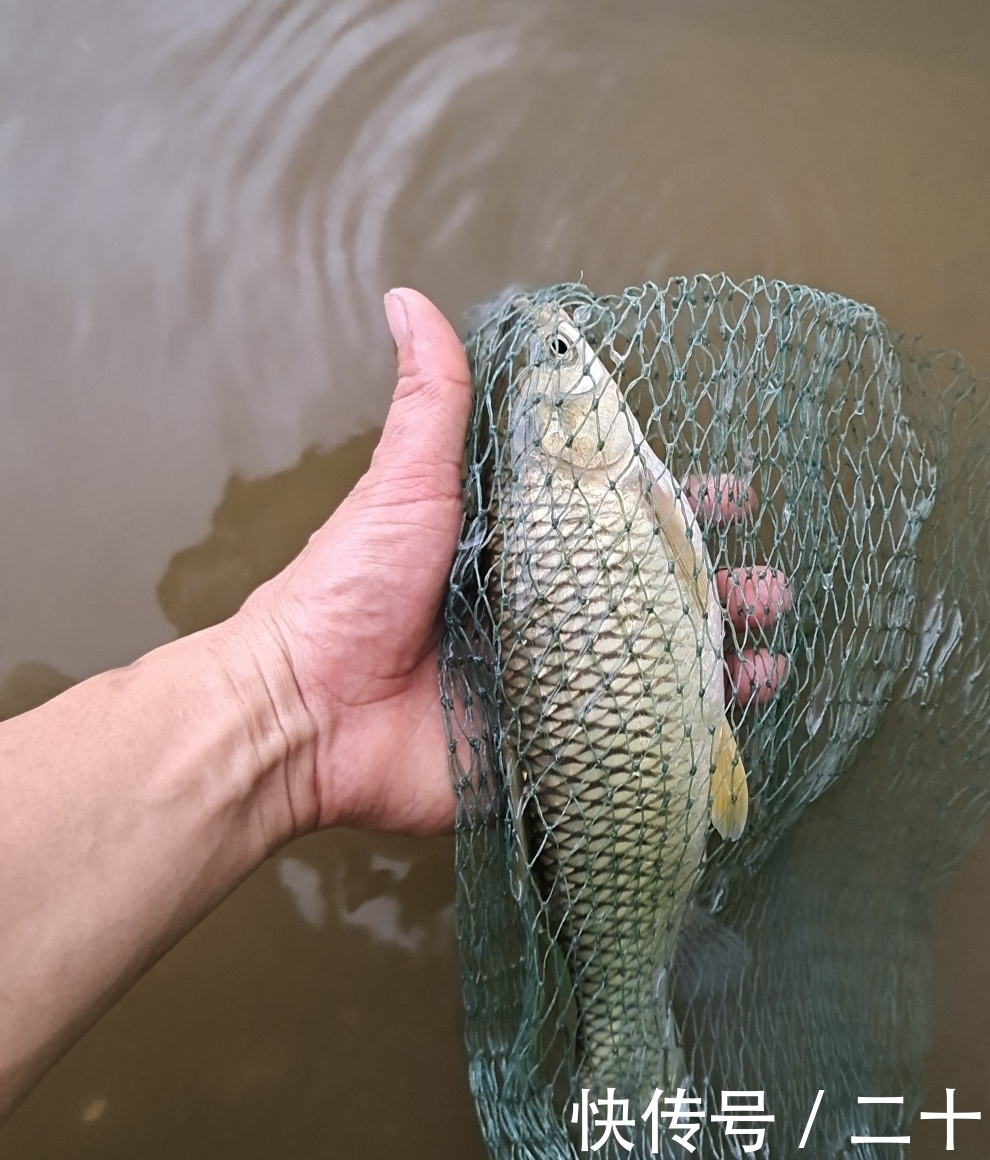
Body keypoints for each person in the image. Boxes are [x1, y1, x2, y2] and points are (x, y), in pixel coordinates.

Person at [0, 289, 788, 1118]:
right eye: (565, 361)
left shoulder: (567, 490)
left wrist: (291, 701)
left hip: (614, 770)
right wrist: (288, 701)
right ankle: (633, 1030)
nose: (573, 356)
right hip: (634, 761)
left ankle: (631, 1020)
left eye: (560, 359)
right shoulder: (616, 482)